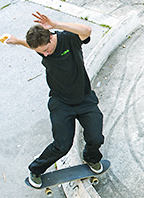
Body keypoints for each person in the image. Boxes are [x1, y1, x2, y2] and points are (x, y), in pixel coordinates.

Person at [7, 12, 105, 188]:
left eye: (46, 50)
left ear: (51, 38)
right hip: (60, 102)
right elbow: (36, 47)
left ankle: (91, 158)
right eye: (40, 52)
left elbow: (87, 30)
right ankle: (36, 169)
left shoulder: (69, 39)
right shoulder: (42, 48)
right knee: (62, 145)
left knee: (96, 137)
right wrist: (18, 41)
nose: (45, 55)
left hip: (84, 98)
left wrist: (56, 24)